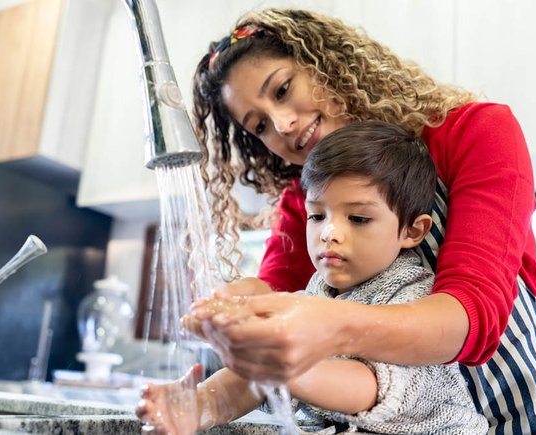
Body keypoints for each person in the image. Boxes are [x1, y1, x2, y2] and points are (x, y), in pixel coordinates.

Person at [183, 8, 536, 434]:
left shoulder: (475, 132)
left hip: (528, 412)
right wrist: (239, 305)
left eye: (284, 89)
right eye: (261, 125)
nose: (283, 125)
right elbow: (275, 297)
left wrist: (332, 328)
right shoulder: (301, 201)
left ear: (326, 63)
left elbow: (470, 316)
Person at [137, 120, 488, 434]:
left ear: (412, 231)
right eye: (317, 216)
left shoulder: (413, 296)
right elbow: (252, 381)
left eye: (359, 219)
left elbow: (368, 387)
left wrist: (281, 363)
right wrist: (203, 404)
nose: (329, 233)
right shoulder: (316, 294)